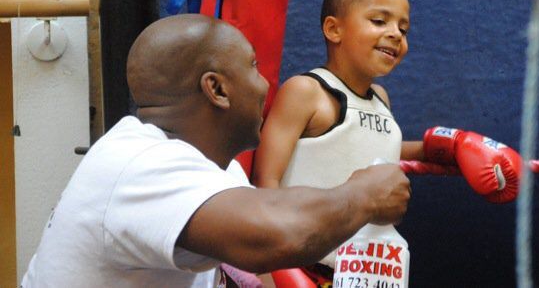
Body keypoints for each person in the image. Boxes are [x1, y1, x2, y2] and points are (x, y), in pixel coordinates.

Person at [21, 14, 411, 288]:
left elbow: (258, 259)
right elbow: (275, 236)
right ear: (218, 89)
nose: (264, 85)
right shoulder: (141, 165)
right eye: (254, 67)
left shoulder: (216, 172)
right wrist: (365, 194)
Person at [252, 0, 523, 284]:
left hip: (365, 271)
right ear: (333, 29)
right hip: (303, 264)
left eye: (403, 29)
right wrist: (272, 267)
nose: (395, 33)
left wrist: (450, 147)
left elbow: (371, 149)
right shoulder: (307, 91)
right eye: (379, 21)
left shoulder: (380, 98)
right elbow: (265, 180)